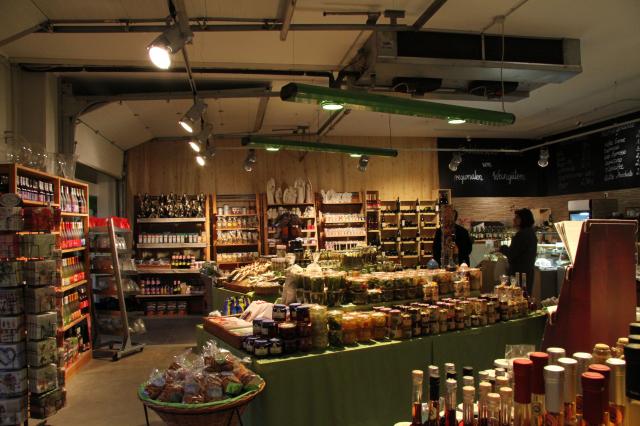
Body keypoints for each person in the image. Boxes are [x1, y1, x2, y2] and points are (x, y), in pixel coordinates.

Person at [500, 208, 538, 294]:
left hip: (519, 273)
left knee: (517, 297)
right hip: (528, 272)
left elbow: (512, 254)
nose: (514, 219)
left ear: (523, 219)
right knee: (525, 295)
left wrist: (502, 248)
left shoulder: (521, 235)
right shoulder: (531, 233)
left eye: (517, 217)